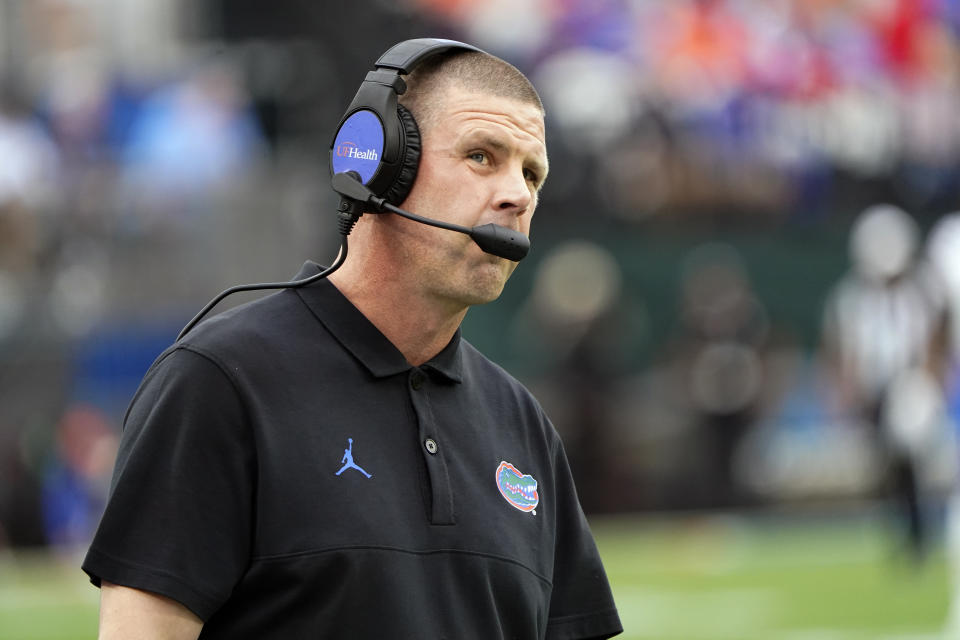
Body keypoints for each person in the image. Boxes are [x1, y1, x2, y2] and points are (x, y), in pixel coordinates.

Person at [82, 39, 623, 639]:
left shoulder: (522, 423)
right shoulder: (220, 382)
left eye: (531, 173)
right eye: (481, 156)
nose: (517, 195)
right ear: (378, 165)